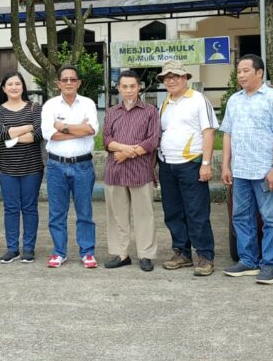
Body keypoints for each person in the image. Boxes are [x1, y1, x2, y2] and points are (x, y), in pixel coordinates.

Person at [220, 54, 273, 284]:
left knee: (270, 218)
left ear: (259, 72)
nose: (241, 75)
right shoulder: (234, 100)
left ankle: (270, 264)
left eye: (246, 71)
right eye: (239, 71)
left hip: (264, 172)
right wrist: (225, 165)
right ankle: (248, 260)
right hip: (240, 171)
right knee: (241, 216)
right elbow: (227, 134)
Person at [157, 59, 218, 277]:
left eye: (175, 76)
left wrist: (206, 164)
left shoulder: (198, 100)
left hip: (191, 164)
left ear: (185, 78)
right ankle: (182, 252)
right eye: (166, 78)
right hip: (167, 165)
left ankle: (205, 255)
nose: (170, 81)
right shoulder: (165, 103)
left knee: (196, 212)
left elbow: (209, 132)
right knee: (173, 212)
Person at [102, 70, 161, 272]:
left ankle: (146, 254)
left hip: (140, 171)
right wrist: (124, 149)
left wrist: (126, 154)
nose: (129, 90)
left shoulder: (150, 111)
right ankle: (121, 254)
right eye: (124, 86)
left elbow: (152, 140)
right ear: (119, 88)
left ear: (139, 87)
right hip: (115, 171)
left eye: (132, 86)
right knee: (117, 215)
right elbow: (106, 140)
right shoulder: (112, 112)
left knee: (144, 215)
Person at [41, 65, 100, 268]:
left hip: (82, 165)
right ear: (58, 83)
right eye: (64, 79)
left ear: (79, 83)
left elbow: (91, 130)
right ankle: (59, 252)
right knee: (57, 212)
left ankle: (87, 252)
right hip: (56, 165)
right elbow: (49, 134)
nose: (68, 83)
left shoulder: (88, 103)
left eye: (72, 79)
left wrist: (62, 127)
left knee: (85, 212)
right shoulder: (50, 105)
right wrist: (78, 129)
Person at [0, 71, 43, 263]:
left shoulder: (34, 107)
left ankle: (29, 248)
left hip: (32, 167)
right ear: (4, 89)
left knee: (30, 207)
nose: (14, 87)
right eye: (10, 84)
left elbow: (39, 133)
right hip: (7, 168)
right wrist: (27, 127)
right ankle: (12, 248)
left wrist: (12, 135)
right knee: (11, 208)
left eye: (17, 84)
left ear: (23, 87)